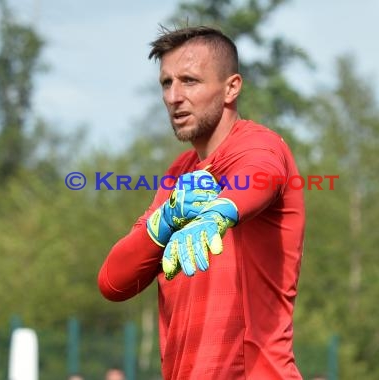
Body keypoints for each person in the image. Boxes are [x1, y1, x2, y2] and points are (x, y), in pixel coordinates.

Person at [98, 25, 306, 379]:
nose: (174, 97)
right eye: (166, 83)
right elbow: (113, 281)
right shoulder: (177, 178)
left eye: (190, 81)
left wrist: (220, 212)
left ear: (231, 87)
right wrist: (159, 225)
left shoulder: (261, 145)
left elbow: (261, 173)